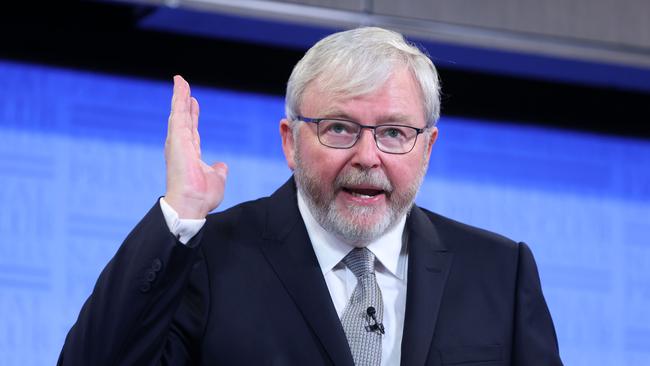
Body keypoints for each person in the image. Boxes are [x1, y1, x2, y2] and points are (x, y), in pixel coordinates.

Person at [58, 27, 563, 365]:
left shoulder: (501, 271)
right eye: (339, 128)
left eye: (393, 133)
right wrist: (181, 212)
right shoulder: (208, 257)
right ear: (290, 142)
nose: (368, 156)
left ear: (427, 148)